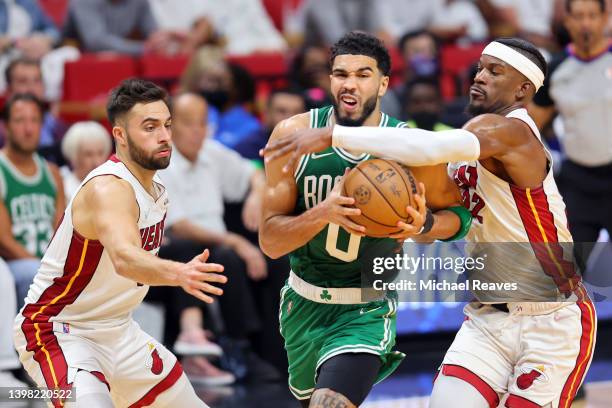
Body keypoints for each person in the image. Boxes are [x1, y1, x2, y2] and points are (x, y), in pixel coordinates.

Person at [263, 37, 596, 407]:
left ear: (523, 89)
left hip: (549, 319)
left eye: (494, 71)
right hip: (487, 318)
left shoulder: (509, 131)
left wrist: (334, 133)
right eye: (480, 67)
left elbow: (429, 147)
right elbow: (458, 217)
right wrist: (421, 225)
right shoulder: (470, 139)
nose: (480, 76)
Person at [260, 31, 470, 407]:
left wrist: (424, 226)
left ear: (384, 83)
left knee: (331, 402)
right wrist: (323, 212)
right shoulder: (294, 135)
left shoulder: (410, 147)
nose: (349, 84)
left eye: (362, 74)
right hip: (303, 304)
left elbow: (458, 217)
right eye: (341, 74)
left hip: (366, 307)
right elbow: (270, 241)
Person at [13, 79, 227, 407]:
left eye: (167, 125)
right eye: (150, 127)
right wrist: (180, 273)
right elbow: (125, 259)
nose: (165, 136)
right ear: (120, 135)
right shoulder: (108, 188)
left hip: (119, 331)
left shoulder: (156, 190)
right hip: (59, 329)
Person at [159, 93, 288, 378]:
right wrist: (236, 241)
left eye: (202, 123)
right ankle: (237, 347)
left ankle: (277, 350)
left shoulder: (212, 153)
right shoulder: (161, 163)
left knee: (276, 260)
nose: (197, 130)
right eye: (188, 123)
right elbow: (179, 226)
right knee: (224, 257)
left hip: (217, 243)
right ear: (170, 126)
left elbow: (253, 170)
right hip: (181, 247)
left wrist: (256, 194)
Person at [529, 0, 611, 260]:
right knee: (567, 268)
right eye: (578, 16)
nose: (585, 23)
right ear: (567, 22)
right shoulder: (556, 69)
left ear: (604, 18)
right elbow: (530, 125)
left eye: (591, 16)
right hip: (578, 180)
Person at [0, 93, 64, 308]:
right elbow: (5, 242)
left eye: (34, 120)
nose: (28, 129)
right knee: (32, 274)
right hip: (14, 267)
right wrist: (45, 272)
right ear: (6, 126)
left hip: (49, 267)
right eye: (20, 120)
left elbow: (61, 232)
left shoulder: (52, 172)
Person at [235, 87, 307, 162]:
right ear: (267, 113)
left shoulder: (313, 147)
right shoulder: (248, 148)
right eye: (282, 111)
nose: (290, 118)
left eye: (297, 112)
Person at [60, 121, 112, 199]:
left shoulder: (113, 188)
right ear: (74, 156)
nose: (96, 162)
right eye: (88, 154)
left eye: (100, 153)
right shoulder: (63, 189)